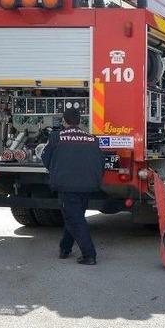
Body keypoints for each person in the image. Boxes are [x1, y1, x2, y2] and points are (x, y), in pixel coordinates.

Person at [41, 107, 105, 265]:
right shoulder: (92, 138)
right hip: (88, 185)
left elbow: (45, 157)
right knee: (74, 216)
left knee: (74, 219)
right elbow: (101, 161)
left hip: (67, 186)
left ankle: (89, 255)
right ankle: (65, 248)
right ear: (80, 121)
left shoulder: (56, 137)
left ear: (63, 121)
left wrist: (56, 171)